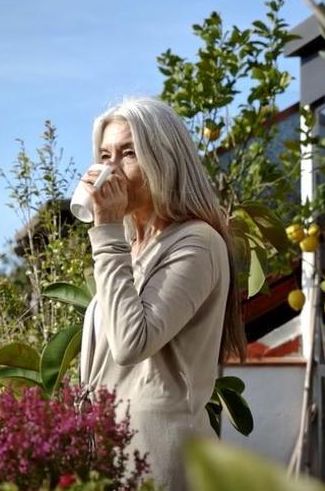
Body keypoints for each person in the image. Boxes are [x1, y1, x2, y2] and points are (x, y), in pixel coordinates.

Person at [78, 97, 246, 490]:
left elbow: (132, 344)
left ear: (163, 159)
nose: (110, 170)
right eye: (105, 155)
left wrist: (105, 233)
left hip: (158, 458)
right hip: (111, 453)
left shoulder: (196, 242)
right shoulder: (132, 248)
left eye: (128, 154)